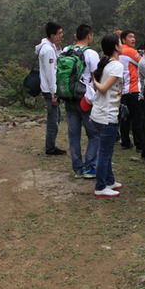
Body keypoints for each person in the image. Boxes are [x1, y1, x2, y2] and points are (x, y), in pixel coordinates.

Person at [91, 33, 125, 197]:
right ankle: (100, 187)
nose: (122, 45)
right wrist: (95, 82)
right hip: (107, 115)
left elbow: (105, 87)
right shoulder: (116, 65)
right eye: (120, 43)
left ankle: (109, 181)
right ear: (116, 47)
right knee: (104, 153)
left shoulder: (106, 63)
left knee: (107, 151)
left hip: (98, 113)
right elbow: (104, 88)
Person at [64, 24, 100, 178]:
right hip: (85, 99)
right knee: (94, 134)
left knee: (74, 136)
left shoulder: (66, 50)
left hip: (68, 97)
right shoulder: (91, 54)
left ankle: (77, 168)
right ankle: (90, 167)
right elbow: (96, 78)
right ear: (89, 35)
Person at [35, 21, 66, 155]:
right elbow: (51, 73)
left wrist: (58, 48)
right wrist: (54, 94)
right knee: (53, 119)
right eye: (59, 33)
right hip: (50, 90)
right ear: (52, 35)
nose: (61, 36)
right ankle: (50, 148)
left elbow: (57, 62)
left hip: (50, 89)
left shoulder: (49, 47)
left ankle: (51, 145)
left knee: (56, 116)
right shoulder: (47, 50)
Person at [118, 29, 143, 151]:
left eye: (134, 37)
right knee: (137, 118)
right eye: (130, 37)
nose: (133, 39)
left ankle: (125, 142)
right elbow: (144, 64)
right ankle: (139, 144)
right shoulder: (130, 51)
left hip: (123, 90)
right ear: (123, 40)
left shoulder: (118, 51)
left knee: (125, 117)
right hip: (134, 89)